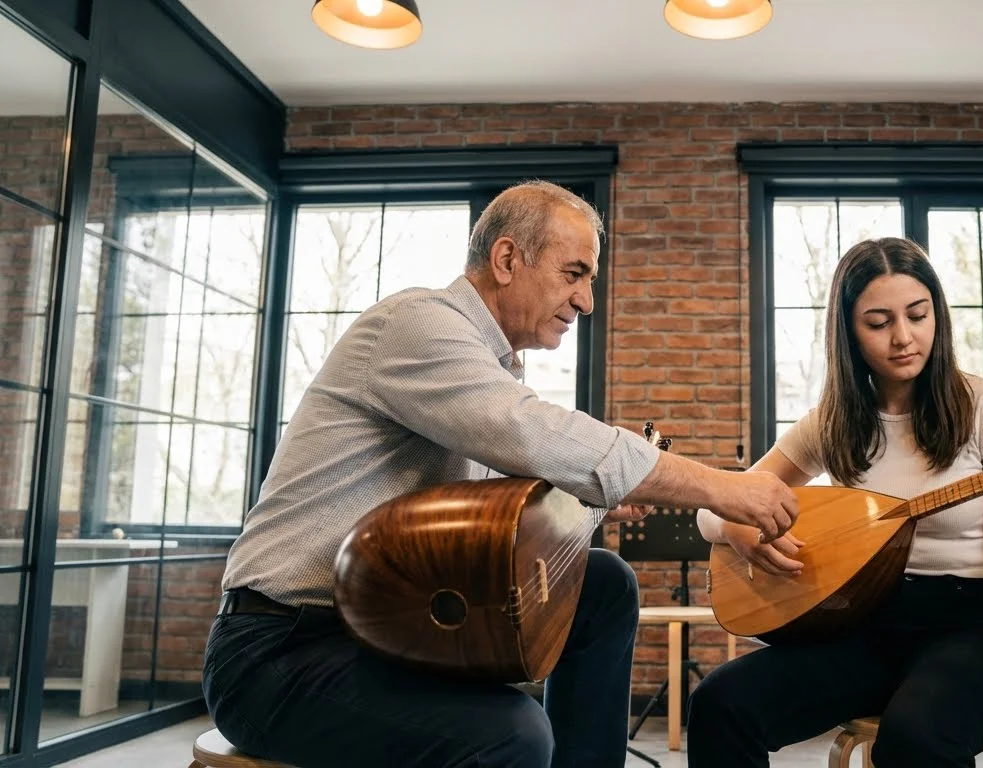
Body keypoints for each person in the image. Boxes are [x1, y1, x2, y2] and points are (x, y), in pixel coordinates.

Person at [202, 180, 799, 768]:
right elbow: (530, 431)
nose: (587, 301)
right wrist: (724, 485)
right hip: (280, 651)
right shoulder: (417, 324)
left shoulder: (487, 377)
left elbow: (495, 525)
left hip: (387, 633)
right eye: (574, 274)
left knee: (603, 583)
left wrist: (589, 508)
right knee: (510, 734)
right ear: (508, 257)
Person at [687, 237, 983, 768]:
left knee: (914, 736)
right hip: (860, 630)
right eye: (878, 322)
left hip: (973, 632)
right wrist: (739, 530)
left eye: (917, 315)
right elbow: (713, 506)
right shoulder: (834, 421)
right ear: (848, 331)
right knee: (719, 704)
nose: (903, 337)